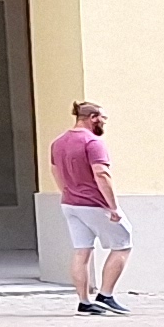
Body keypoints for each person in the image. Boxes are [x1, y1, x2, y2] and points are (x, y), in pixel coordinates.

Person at [52, 102, 131, 314]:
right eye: (103, 118)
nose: (104, 122)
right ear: (93, 117)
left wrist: (67, 192)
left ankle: (84, 301)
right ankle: (106, 295)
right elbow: (101, 174)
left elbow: (56, 172)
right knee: (123, 243)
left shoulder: (58, 142)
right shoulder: (93, 142)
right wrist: (113, 206)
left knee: (82, 251)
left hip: (70, 204)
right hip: (94, 204)